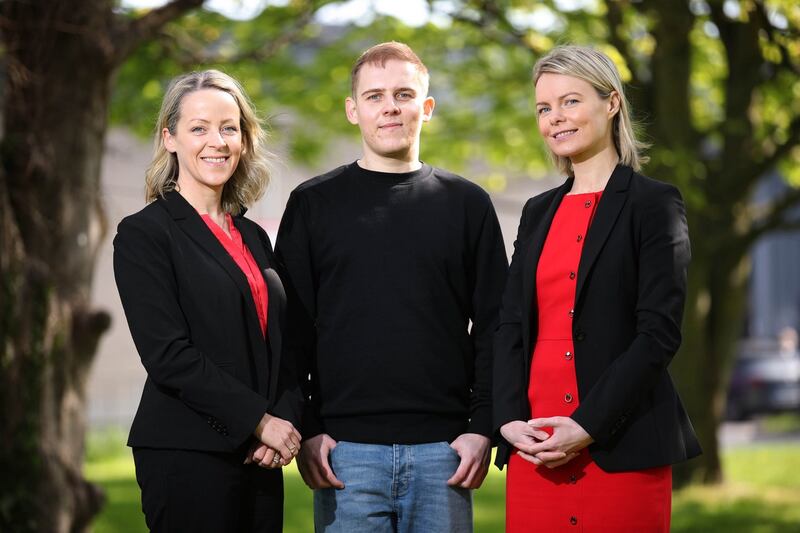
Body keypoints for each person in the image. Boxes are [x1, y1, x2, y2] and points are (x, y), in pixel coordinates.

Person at [276, 42, 508, 532]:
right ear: (353, 109)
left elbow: (495, 327)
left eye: (404, 94)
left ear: (426, 108)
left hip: (444, 452)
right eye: (375, 95)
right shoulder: (313, 204)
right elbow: (290, 331)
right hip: (345, 454)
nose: (390, 107)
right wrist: (309, 429)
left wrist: (481, 427)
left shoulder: (467, 204)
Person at [493, 45, 702, 531]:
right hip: (536, 444)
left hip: (620, 443)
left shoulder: (655, 204)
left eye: (570, 101)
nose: (555, 118)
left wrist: (587, 426)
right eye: (544, 108)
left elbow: (658, 334)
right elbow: (510, 325)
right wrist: (506, 420)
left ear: (611, 104)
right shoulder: (537, 211)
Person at [113, 69, 303, 532]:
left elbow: (284, 343)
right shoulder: (144, 234)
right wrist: (258, 420)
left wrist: (284, 419)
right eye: (198, 128)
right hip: (185, 454)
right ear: (170, 138)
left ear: (243, 139)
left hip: (260, 457)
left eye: (228, 128)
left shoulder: (255, 236)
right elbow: (168, 355)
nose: (216, 141)